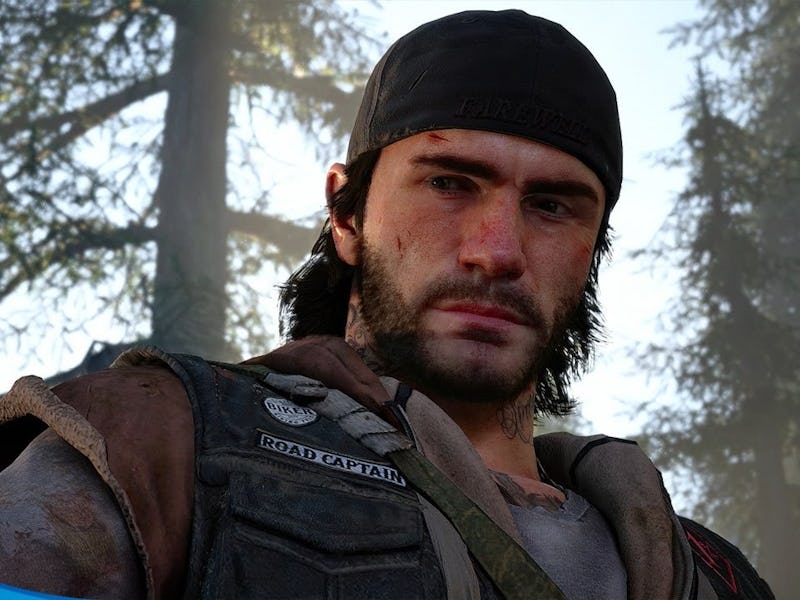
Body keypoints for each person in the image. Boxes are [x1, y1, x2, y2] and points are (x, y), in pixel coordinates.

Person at [0, 9, 773, 600]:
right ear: (346, 215)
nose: (497, 250)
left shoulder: (717, 574)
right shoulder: (161, 446)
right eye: (449, 183)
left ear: (593, 248)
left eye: (552, 205)